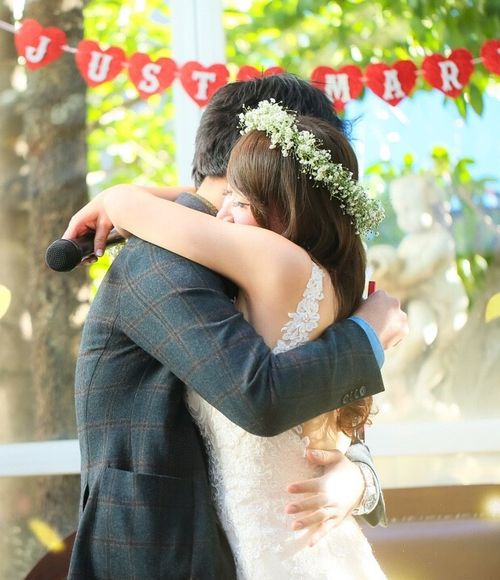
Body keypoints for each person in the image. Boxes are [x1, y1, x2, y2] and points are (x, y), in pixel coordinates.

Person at [65, 74, 407, 579]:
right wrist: (366, 338)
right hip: (165, 559)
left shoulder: (266, 254)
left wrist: (358, 477)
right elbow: (261, 397)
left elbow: (313, 408)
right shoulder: (162, 260)